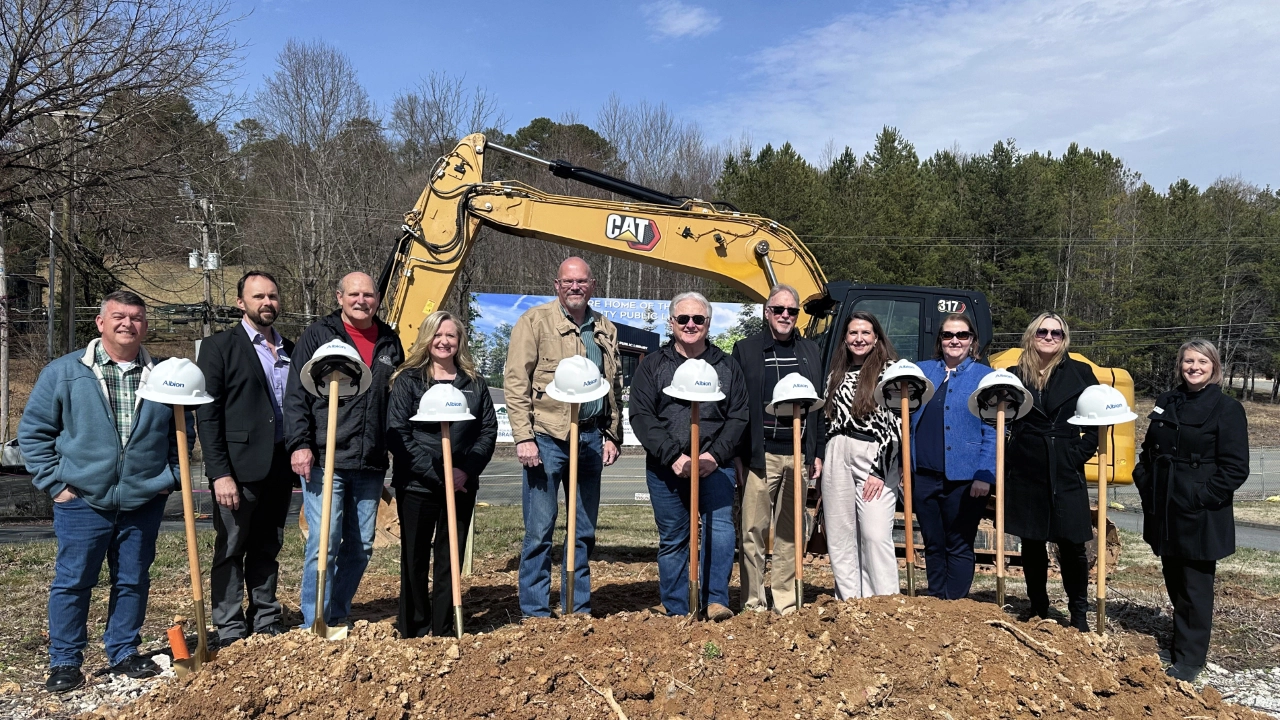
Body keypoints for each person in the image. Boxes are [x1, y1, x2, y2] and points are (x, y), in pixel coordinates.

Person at [19, 291, 182, 692]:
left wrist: (170, 477)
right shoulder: (65, 372)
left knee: (132, 579)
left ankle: (124, 651)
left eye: (137, 317)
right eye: (119, 316)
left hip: (143, 499)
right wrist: (55, 485)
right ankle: (64, 661)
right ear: (100, 322)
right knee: (73, 581)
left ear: (146, 324)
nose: (128, 323)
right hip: (83, 500)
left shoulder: (163, 374)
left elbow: (184, 433)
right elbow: (34, 433)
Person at [284, 272, 404, 629]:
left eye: (368, 295)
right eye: (354, 294)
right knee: (324, 541)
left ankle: (336, 613)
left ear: (378, 299)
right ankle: (314, 621)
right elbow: (296, 395)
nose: (361, 301)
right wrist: (300, 444)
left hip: (370, 460)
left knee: (362, 545)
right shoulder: (318, 335)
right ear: (339, 297)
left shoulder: (389, 340)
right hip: (326, 457)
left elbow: (395, 399)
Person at [504, 257, 622, 617]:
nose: (575, 287)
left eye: (582, 281)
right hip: (546, 439)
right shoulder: (534, 322)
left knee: (583, 530)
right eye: (568, 282)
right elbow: (515, 382)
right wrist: (523, 437)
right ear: (557, 285)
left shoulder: (604, 327)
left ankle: (577, 606)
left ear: (593, 285)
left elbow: (613, 386)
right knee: (540, 530)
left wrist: (612, 434)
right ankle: (536, 611)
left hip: (590, 440)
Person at [1134, 339, 1248, 682]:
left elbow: (1235, 467)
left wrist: (1201, 496)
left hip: (1200, 510)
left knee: (1195, 586)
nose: (1194, 367)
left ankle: (1191, 657)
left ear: (1214, 366)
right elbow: (1149, 448)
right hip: (1165, 504)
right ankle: (1178, 642)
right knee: (1173, 577)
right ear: (1179, 366)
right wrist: (1145, 479)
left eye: (1201, 361)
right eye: (1187, 361)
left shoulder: (1227, 408)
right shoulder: (1167, 401)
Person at [630, 292, 748, 620]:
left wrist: (714, 455)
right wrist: (672, 456)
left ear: (708, 324)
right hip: (666, 466)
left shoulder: (727, 366)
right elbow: (641, 416)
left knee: (720, 530)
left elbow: (738, 416)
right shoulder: (653, 366)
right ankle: (678, 608)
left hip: (715, 465)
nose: (691, 325)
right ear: (672, 323)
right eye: (683, 319)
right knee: (673, 537)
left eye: (698, 319)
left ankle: (715, 600)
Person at [196, 271, 296, 646]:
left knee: (268, 545)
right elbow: (208, 416)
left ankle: (266, 616)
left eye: (272, 296)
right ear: (241, 302)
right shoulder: (219, 347)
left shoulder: (291, 348)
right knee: (232, 547)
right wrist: (220, 473)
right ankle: (229, 625)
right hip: (237, 469)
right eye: (258, 297)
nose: (266, 302)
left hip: (280, 465)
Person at [387, 311, 497, 638]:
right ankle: (416, 627)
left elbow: (487, 430)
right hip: (418, 485)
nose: (444, 341)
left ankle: (444, 626)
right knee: (415, 558)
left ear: (459, 341)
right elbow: (398, 434)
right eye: (438, 334)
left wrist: (465, 471)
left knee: (450, 558)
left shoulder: (473, 383)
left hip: (462, 485)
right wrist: (441, 475)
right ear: (427, 337)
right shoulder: (408, 380)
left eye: (451, 336)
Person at [731, 284, 825, 615]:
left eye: (792, 311)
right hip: (761, 454)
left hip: (798, 454)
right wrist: (739, 455)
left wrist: (817, 452)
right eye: (779, 309)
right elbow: (738, 406)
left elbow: (818, 406)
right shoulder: (747, 350)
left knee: (791, 530)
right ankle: (754, 602)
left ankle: (785, 599)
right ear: (767, 312)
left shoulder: (810, 351)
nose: (786, 316)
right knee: (753, 530)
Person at [1004, 312, 1098, 632]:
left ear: (1064, 338)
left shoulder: (1081, 372)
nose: (1049, 337)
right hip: (1027, 466)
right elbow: (998, 419)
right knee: (1031, 542)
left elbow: (1099, 420)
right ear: (1031, 335)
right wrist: (1008, 452)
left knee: (1072, 544)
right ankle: (1038, 607)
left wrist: (1079, 453)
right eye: (1042, 331)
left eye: (1056, 333)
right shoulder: (1013, 375)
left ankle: (1079, 614)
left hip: (1065, 464)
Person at [909, 313, 996, 599]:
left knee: (958, 542)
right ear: (940, 340)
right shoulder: (921, 372)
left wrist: (985, 473)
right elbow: (904, 418)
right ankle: (936, 598)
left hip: (966, 479)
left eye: (962, 335)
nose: (954, 340)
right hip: (923, 473)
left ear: (972, 341)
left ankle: (955, 603)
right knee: (933, 542)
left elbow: (993, 430)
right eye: (948, 335)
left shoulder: (985, 377)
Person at [821, 311, 902, 599]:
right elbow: (827, 420)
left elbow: (899, 424)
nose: (859, 338)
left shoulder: (891, 371)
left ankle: (884, 602)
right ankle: (849, 601)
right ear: (844, 338)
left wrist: (880, 470)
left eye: (865, 333)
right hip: (836, 451)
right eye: (853, 333)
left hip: (873, 452)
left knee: (874, 533)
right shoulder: (835, 373)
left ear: (877, 337)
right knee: (840, 533)